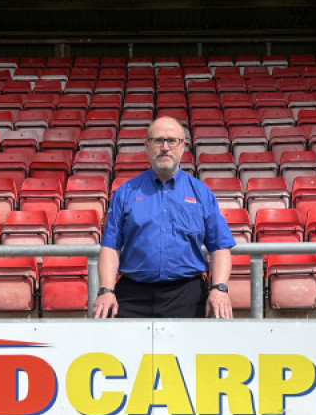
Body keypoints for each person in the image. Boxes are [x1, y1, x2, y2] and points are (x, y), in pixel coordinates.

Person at [92, 116, 236, 319]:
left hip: (188, 296)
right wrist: (106, 291)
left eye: (172, 140)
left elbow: (220, 245)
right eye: (158, 140)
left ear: (183, 146)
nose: (165, 147)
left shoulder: (202, 194)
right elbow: (110, 246)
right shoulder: (125, 193)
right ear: (147, 145)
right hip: (133, 296)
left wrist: (219, 288)